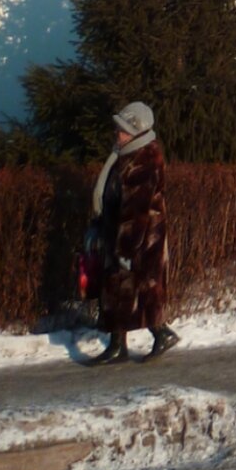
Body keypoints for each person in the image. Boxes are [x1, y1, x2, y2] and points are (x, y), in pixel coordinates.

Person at [88, 102, 178, 365]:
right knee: (121, 289)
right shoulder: (125, 154)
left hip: (140, 239)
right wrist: (100, 224)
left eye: (124, 129)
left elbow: (136, 209)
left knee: (136, 288)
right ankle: (121, 345)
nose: (118, 133)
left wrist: (125, 248)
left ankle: (157, 335)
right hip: (120, 233)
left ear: (137, 131)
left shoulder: (144, 159)